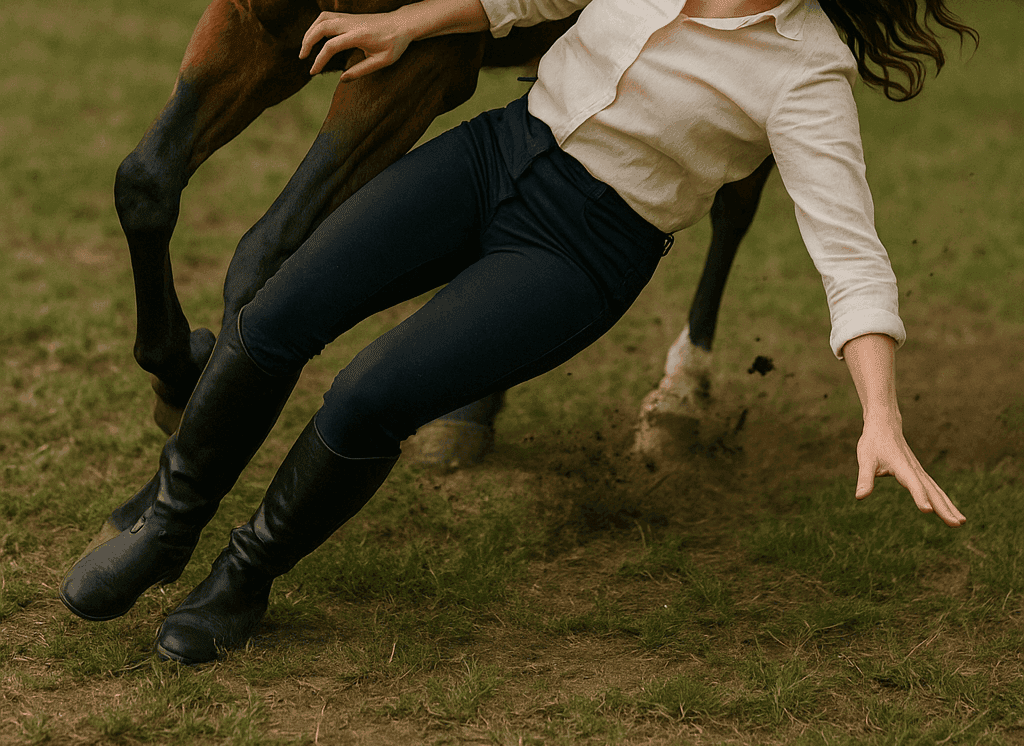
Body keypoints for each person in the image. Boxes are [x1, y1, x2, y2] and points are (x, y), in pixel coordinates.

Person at [60, 0, 977, 664]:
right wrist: (409, 22)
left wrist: (882, 416)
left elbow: (850, 256)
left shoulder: (808, 67)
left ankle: (240, 581)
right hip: (496, 150)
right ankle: (166, 530)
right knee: (278, 308)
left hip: (585, 247)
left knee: (369, 394)